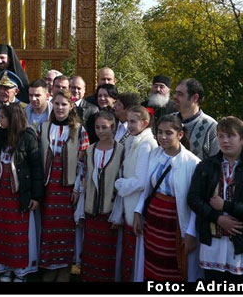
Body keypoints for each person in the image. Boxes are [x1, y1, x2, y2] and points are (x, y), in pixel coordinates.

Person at [187, 116, 243, 283]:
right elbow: (193, 199)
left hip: (242, 243)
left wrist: (226, 206)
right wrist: (217, 218)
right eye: (221, 136)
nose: (225, 140)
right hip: (212, 243)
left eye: (231, 136)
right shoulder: (205, 166)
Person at [132, 114, 202, 282]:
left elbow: (196, 202)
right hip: (154, 221)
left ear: (180, 134)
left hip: (176, 223)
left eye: (168, 133)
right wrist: (138, 212)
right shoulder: (155, 154)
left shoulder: (193, 163)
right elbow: (148, 188)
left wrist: (191, 232)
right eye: (160, 132)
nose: (162, 137)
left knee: (174, 265)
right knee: (152, 262)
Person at [0, 103, 44, 283]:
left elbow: (36, 168)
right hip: (1, 192)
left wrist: (35, 196)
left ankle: (20, 271)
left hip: (19, 193)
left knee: (18, 233)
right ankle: (5, 268)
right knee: (3, 230)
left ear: (13, 118)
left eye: (2, 117)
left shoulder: (28, 137)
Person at [38, 90, 89, 282]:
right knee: (49, 227)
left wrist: (77, 188)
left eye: (64, 104)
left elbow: (83, 163)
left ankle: (65, 268)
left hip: (68, 187)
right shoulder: (44, 127)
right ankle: (50, 266)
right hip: (48, 186)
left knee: (66, 229)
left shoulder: (79, 130)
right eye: (57, 104)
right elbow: (38, 157)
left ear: (72, 106)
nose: (60, 108)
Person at [74, 110, 124, 282]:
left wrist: (117, 214)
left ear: (113, 128)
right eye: (97, 127)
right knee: (90, 253)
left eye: (105, 127)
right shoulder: (89, 151)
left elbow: (121, 183)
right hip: (90, 211)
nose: (100, 131)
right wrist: (81, 210)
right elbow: (84, 181)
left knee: (107, 254)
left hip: (109, 213)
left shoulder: (121, 152)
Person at [112, 105, 157, 281]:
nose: (129, 125)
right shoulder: (133, 139)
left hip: (138, 204)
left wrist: (119, 183)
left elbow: (142, 180)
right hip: (129, 201)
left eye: (133, 121)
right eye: (128, 120)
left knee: (137, 259)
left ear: (144, 123)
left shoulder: (146, 144)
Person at [173, 78, 219, 159]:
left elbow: (216, 163)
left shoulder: (211, 127)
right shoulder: (168, 121)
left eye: (180, 94)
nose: (174, 97)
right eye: (175, 93)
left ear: (195, 98)